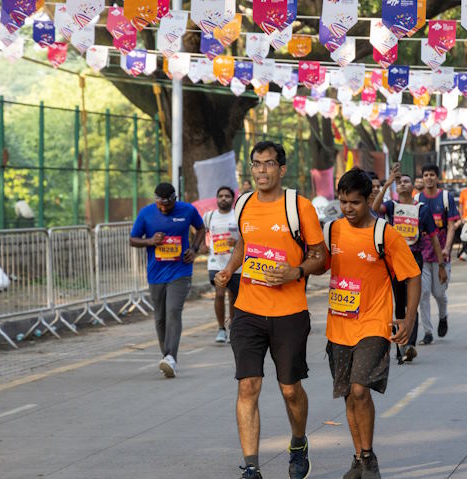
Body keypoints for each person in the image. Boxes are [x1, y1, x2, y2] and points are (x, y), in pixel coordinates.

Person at [214, 141, 325, 479]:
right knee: (247, 386)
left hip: (289, 311)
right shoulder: (243, 203)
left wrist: (297, 271)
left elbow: (321, 257)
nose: (261, 170)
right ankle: (251, 465)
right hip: (247, 309)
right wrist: (230, 269)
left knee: (290, 389)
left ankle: (298, 441)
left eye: (268, 164)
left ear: (282, 168)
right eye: (256, 164)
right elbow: (244, 243)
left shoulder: (299, 207)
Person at [320, 168, 421, 479]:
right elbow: (319, 264)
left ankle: (368, 457)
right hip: (338, 326)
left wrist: (408, 318)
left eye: (355, 203)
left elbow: (412, 275)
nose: (348, 209)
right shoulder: (332, 231)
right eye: (343, 202)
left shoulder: (385, 234)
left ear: (368, 201)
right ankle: (359, 457)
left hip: (374, 324)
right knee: (349, 394)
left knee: (361, 390)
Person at [130, 183, 206, 377]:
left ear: (175, 199)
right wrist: (149, 241)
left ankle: (171, 356)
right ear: (155, 200)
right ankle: (167, 356)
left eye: (168, 206)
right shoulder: (146, 213)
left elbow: (200, 229)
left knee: (173, 310)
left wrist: (194, 250)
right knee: (160, 317)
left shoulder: (187, 210)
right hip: (156, 273)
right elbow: (133, 239)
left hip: (180, 271)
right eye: (160, 205)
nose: (163, 209)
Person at [372, 166, 445, 363]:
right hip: (394, 261)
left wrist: (441, 265)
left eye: (406, 181)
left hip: (415, 260)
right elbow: (375, 209)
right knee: (400, 304)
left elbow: (434, 238)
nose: (402, 184)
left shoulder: (423, 210)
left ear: (413, 186)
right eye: (399, 182)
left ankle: (410, 345)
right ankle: (400, 345)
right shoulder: (391, 206)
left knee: (414, 302)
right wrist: (386, 183)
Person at [414, 163, 459, 345]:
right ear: (423, 178)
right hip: (422, 254)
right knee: (423, 293)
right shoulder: (417, 199)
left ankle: (443, 316)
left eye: (432, 174)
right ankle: (427, 332)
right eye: (426, 174)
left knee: (439, 293)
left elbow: (450, 226)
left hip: (441, 255)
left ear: (437, 177)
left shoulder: (446, 197)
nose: (429, 178)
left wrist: (447, 248)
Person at [204, 186, 241, 343]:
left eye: (227, 196)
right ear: (217, 198)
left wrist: (236, 242)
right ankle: (220, 329)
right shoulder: (209, 216)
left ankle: (233, 326)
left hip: (235, 263)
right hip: (216, 263)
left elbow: (247, 236)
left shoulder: (238, 216)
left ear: (232, 199)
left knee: (234, 297)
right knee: (219, 294)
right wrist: (204, 245)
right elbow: (202, 231)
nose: (223, 198)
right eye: (220, 196)